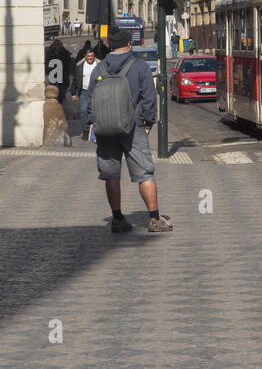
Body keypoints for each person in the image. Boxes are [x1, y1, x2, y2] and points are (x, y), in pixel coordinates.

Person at [85, 27, 171, 233]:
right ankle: (154, 219)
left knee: (111, 174)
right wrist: (148, 123)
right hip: (134, 127)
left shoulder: (99, 69)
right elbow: (149, 98)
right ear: (129, 44)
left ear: (110, 46)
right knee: (145, 173)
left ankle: (117, 218)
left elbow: (90, 98)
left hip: (105, 129)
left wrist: (92, 124)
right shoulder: (139, 66)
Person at [70, 46, 99, 141]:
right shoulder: (80, 66)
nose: (90, 58)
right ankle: (86, 130)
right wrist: (73, 93)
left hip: (97, 91)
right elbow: (75, 80)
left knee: (97, 111)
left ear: (94, 56)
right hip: (84, 92)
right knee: (83, 110)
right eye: (88, 56)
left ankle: (96, 131)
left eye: (92, 56)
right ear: (85, 57)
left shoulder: (99, 65)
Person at [44, 37, 73, 105]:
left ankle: (60, 101)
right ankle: (54, 101)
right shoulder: (50, 52)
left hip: (62, 74)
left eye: (58, 45)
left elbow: (68, 63)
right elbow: (47, 62)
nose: (57, 47)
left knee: (61, 89)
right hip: (53, 74)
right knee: (53, 89)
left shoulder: (64, 52)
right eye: (55, 45)